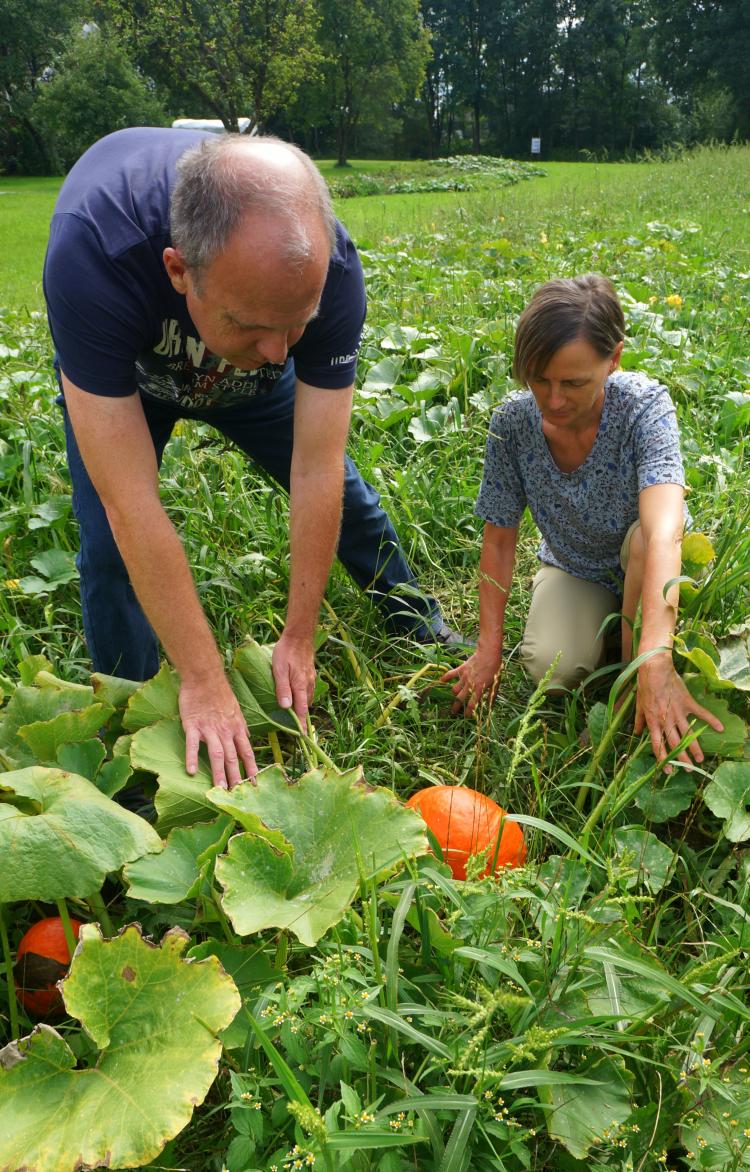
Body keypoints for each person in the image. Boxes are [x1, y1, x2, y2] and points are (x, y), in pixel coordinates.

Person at [44, 127, 459, 790]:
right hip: (132, 380)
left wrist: (299, 633)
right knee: (106, 546)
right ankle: (134, 724)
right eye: (253, 323)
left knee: (349, 498)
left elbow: (317, 467)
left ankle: (415, 619)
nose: (279, 350)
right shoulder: (94, 247)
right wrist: (206, 679)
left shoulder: (330, 272)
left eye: (297, 323)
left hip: (240, 388)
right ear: (179, 270)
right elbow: (131, 503)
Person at [443, 274, 722, 769]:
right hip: (576, 566)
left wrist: (652, 657)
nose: (552, 400)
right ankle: (609, 633)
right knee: (551, 669)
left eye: (573, 382)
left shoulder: (643, 407)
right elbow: (500, 539)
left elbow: (663, 533)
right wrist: (488, 649)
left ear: (612, 359)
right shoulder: (512, 424)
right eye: (538, 380)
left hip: (649, 557)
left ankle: (634, 661)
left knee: (641, 539)